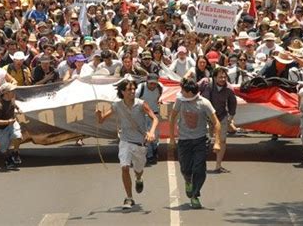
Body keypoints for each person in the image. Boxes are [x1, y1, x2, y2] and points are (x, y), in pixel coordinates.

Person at [95, 77, 158, 210]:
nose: (132, 91)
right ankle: (129, 198)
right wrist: (99, 115)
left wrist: (151, 132)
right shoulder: (117, 105)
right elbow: (101, 121)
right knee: (124, 167)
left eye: (134, 89)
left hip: (140, 143)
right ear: (122, 92)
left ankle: (139, 178)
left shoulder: (141, 104)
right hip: (125, 141)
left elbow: (155, 118)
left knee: (138, 169)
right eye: (129, 89)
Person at [169, 78, 222, 209]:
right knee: (185, 169)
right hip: (184, 140)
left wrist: (217, 142)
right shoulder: (180, 101)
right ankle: (188, 181)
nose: (180, 92)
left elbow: (216, 122)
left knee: (199, 169)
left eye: (183, 90)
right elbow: (172, 117)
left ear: (189, 92)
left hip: (200, 140)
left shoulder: (204, 103)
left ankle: (195, 195)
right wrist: (171, 138)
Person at [201, 67, 237, 173]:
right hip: (207, 117)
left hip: (221, 116)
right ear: (215, 77)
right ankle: (200, 164)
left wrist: (231, 117)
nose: (222, 79)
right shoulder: (208, 85)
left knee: (222, 141)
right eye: (220, 77)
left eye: (224, 77)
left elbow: (232, 103)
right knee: (203, 141)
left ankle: (218, 165)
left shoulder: (229, 89)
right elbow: (203, 101)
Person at [0, 82, 23, 169]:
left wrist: (18, 108)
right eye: (11, 90)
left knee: (18, 137)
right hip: (2, 128)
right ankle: (8, 159)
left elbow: (13, 103)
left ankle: (15, 153)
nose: (14, 92)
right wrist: (7, 121)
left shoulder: (11, 98)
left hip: (12, 123)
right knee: (4, 149)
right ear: (6, 93)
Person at [136, 73, 163, 165]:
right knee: (146, 136)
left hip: (154, 115)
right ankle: (150, 156)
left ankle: (155, 150)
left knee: (155, 136)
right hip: (142, 114)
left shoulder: (160, 88)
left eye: (154, 83)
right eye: (151, 83)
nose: (153, 86)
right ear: (147, 81)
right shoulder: (140, 88)